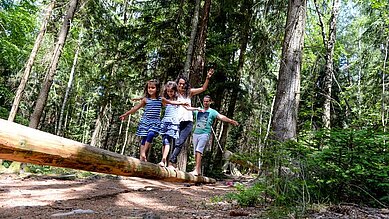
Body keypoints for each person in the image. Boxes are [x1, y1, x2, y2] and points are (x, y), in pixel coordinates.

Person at [119, 79, 187, 162]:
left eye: (153, 87)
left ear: (157, 89)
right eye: (149, 88)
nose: (150, 89)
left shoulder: (160, 99)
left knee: (151, 134)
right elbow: (136, 108)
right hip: (145, 121)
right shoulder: (145, 100)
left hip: (155, 122)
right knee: (144, 138)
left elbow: (171, 102)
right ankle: (142, 158)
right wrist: (126, 114)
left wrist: (182, 103)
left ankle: (143, 152)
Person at [168, 68, 214, 168]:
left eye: (183, 84)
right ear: (177, 84)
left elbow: (203, 89)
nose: (181, 85)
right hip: (176, 121)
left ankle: (171, 161)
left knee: (180, 142)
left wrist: (207, 78)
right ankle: (172, 162)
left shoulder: (189, 93)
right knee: (175, 142)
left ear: (186, 84)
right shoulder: (174, 94)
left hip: (188, 122)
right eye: (179, 84)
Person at [189, 95, 239, 176]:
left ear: (210, 102)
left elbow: (221, 117)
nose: (205, 103)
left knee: (199, 150)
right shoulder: (198, 110)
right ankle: (198, 170)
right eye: (204, 101)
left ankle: (196, 170)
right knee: (195, 152)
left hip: (205, 133)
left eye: (207, 101)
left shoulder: (212, 112)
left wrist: (231, 121)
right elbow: (188, 109)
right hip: (196, 133)